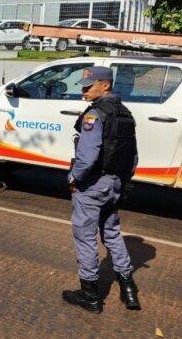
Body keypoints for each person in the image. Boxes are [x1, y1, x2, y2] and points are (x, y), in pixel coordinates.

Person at [63, 66, 141, 313]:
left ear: (105, 85)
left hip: (93, 184)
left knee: (85, 238)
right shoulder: (125, 113)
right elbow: (134, 156)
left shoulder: (94, 115)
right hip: (116, 183)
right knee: (112, 234)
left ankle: (90, 297)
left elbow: (87, 157)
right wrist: (121, 181)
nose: (83, 91)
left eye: (88, 86)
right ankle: (129, 290)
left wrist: (74, 178)